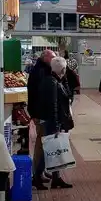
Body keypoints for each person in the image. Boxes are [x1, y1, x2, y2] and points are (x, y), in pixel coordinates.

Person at [27, 49, 57, 189]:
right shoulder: (41, 72)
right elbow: (41, 95)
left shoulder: (42, 69)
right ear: (45, 58)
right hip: (41, 113)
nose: (54, 60)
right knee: (42, 143)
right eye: (52, 58)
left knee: (44, 142)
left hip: (40, 112)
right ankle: (36, 175)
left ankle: (41, 172)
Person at [45, 57, 74, 189]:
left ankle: (56, 177)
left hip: (55, 120)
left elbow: (68, 95)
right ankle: (54, 177)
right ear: (62, 69)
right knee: (54, 149)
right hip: (54, 121)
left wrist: (64, 79)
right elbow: (54, 105)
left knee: (55, 149)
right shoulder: (53, 83)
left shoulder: (55, 80)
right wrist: (57, 124)